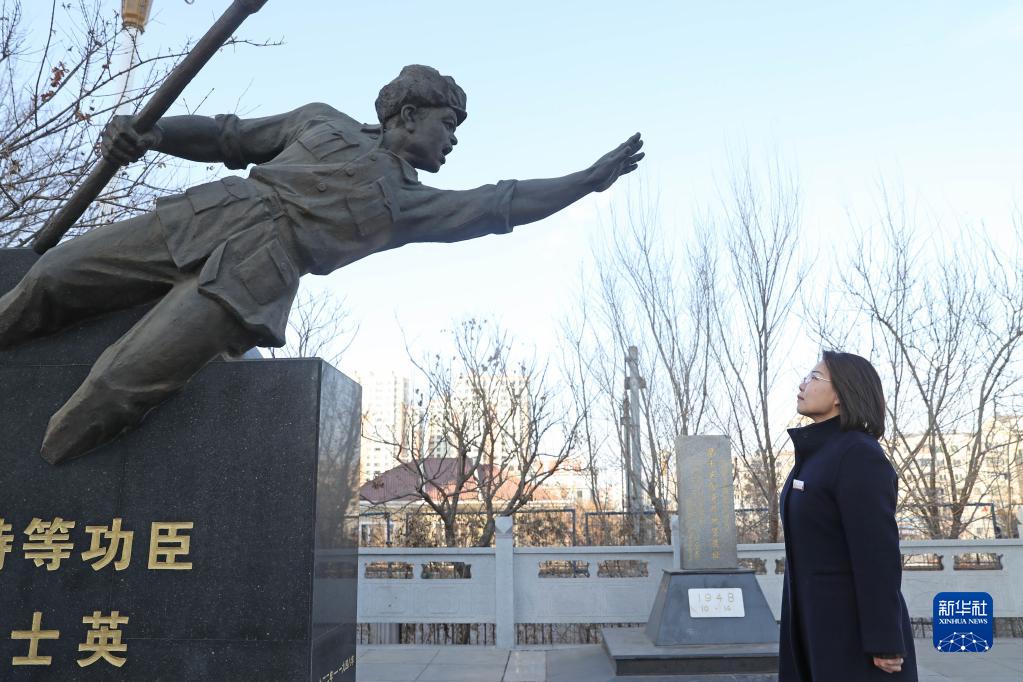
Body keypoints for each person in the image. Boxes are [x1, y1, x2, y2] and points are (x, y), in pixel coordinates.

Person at [0, 64, 644, 464]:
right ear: (409, 115)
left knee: (117, 388)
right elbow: (228, 136)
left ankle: (34, 484)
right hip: (205, 214)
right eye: (448, 124)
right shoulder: (319, 122)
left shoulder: (410, 205)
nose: (453, 140)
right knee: (50, 278)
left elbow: (498, 203)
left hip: (249, 280)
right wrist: (153, 133)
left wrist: (584, 182)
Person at [779, 350, 918, 681]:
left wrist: (884, 639)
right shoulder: (815, 455)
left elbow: (877, 553)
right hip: (813, 624)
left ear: (841, 393)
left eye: (814, 377)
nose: (802, 384)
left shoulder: (857, 455)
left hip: (850, 634)